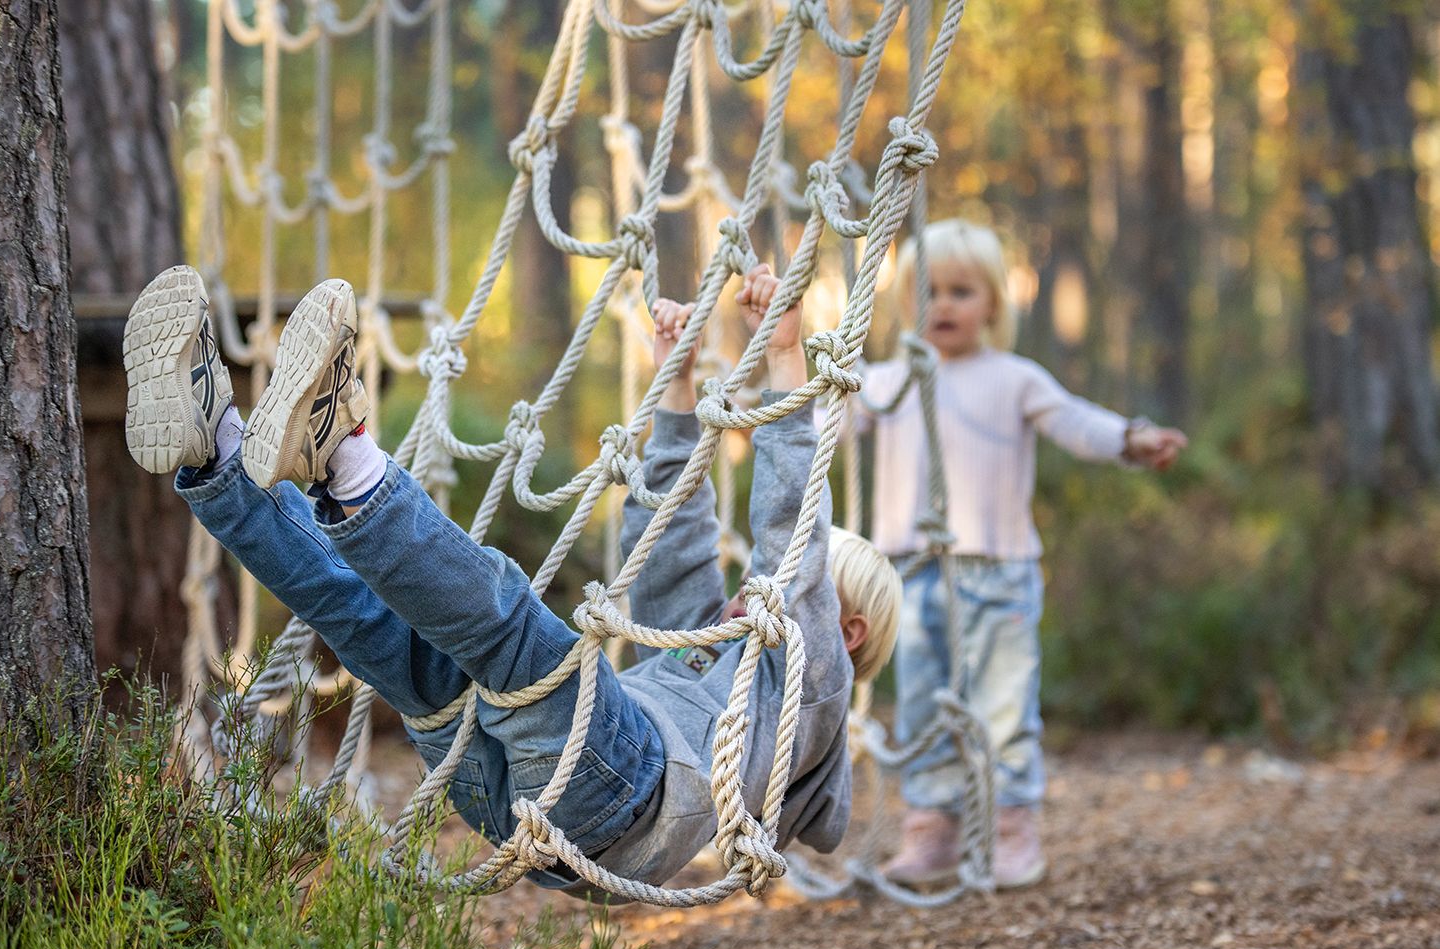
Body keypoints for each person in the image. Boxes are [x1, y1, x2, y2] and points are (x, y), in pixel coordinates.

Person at [123, 262, 901, 896]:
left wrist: (788, 362)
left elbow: (790, 543)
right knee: (366, 621)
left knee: (510, 619)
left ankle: (344, 450)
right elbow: (672, 547)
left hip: (622, 789)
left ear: (848, 629)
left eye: (805, 587)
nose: (751, 589)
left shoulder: (814, 687)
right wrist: (676, 394)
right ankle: (215, 451)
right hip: (519, 806)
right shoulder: (711, 653)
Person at [860, 219, 1186, 890]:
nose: (942, 305)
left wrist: (1132, 438)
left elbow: (1074, 421)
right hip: (912, 574)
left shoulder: (1013, 378)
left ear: (992, 306)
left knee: (1004, 707)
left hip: (999, 574)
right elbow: (816, 419)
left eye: (960, 291)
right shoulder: (888, 379)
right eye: (927, 291)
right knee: (922, 705)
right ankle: (932, 830)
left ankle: (1012, 829)